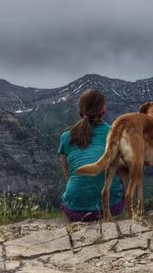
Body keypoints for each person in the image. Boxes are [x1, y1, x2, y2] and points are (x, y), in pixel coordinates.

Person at [58, 89, 125, 221]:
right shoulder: (115, 134)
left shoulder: (66, 136)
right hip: (111, 208)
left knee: (71, 189)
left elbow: (68, 174)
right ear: (104, 110)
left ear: (81, 111)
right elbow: (122, 170)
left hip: (76, 211)